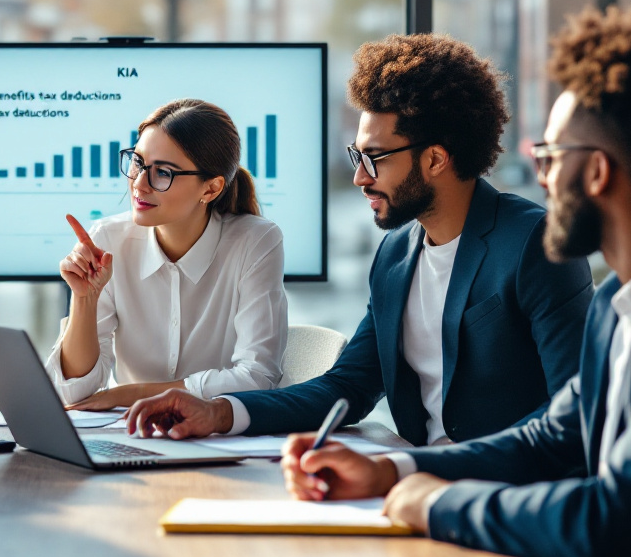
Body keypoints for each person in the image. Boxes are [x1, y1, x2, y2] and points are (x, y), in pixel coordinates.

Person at [282, 6, 631, 557]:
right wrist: (391, 469)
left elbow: (614, 518)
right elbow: (554, 435)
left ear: (595, 171)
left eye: (551, 157)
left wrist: (444, 505)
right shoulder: (629, 291)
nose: (538, 176)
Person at [125, 34, 594, 444]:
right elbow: (348, 386)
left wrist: (425, 472)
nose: (359, 178)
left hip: (500, 498)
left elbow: (572, 419)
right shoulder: (396, 254)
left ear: (435, 159)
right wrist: (220, 412)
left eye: (374, 158)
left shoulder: (534, 244)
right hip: (415, 486)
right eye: (356, 156)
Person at [46, 98, 287, 410]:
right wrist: (84, 298)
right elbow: (76, 394)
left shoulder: (256, 241)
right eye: (138, 162)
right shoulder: (107, 240)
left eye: (164, 172)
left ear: (211, 189)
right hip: (133, 434)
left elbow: (258, 377)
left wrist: (129, 394)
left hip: (219, 440)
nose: (140, 184)